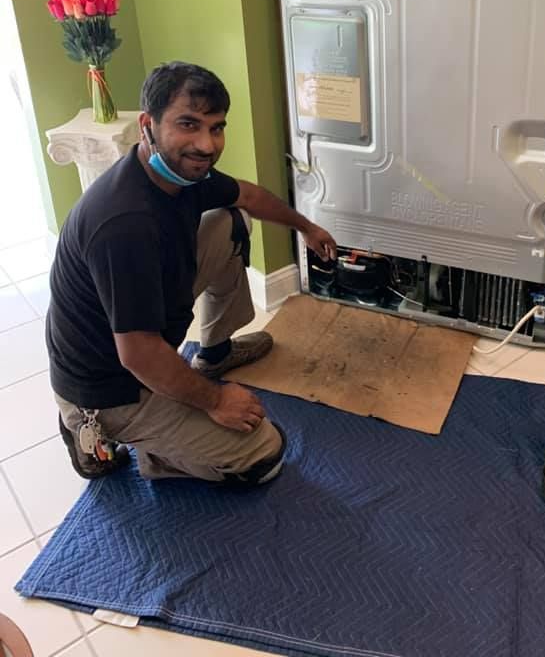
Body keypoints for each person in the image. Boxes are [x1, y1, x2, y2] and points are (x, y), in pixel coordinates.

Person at [48, 61, 336, 485]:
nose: (206, 144)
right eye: (188, 124)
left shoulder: (182, 174)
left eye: (216, 127)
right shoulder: (124, 224)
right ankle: (123, 444)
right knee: (263, 453)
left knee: (231, 222)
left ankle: (213, 355)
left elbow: (250, 196)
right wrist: (214, 400)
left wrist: (306, 228)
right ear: (148, 124)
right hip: (109, 386)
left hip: (137, 338)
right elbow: (139, 354)